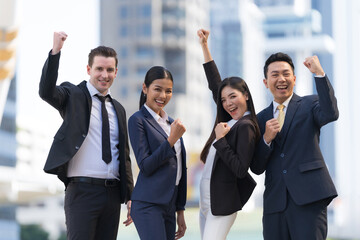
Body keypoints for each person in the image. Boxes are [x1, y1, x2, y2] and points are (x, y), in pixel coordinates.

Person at [39, 31, 134, 240]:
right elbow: (46, 92)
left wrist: (130, 196)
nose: (104, 74)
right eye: (99, 69)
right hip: (81, 192)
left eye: (110, 70)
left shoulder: (118, 109)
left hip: (111, 196)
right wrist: (56, 51)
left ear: (116, 72)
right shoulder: (73, 95)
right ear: (89, 69)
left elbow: (123, 155)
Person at [250, 52, 339, 239]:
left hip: (309, 198)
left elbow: (330, 113)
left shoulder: (310, 104)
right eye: (275, 75)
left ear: (294, 79)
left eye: (286, 73)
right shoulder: (260, 119)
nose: (281, 79)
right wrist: (266, 139)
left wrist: (319, 74)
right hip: (276, 204)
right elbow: (256, 167)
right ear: (266, 82)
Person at [197, 29, 260, 240]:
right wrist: (205, 46)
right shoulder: (230, 121)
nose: (227, 103)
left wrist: (221, 140)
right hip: (207, 199)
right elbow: (215, 84)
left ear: (246, 95)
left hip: (222, 203)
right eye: (224, 100)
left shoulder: (246, 126)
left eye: (233, 97)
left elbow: (241, 169)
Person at [127, 66, 187, 240]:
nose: (163, 96)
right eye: (157, 89)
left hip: (169, 204)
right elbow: (145, 166)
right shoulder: (138, 120)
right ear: (145, 88)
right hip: (148, 204)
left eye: (168, 91)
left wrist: (180, 210)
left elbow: (180, 169)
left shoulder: (171, 123)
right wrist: (171, 140)